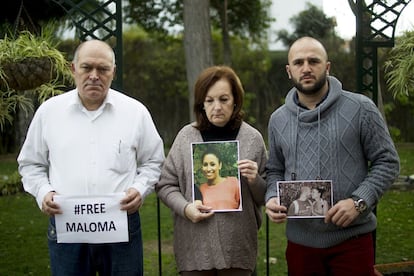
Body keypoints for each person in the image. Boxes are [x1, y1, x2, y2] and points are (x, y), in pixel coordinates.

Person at [17, 39, 165, 275]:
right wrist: (44, 193)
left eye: (103, 69)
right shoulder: (49, 113)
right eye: (87, 67)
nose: (94, 75)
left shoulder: (135, 112)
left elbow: (153, 161)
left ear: (113, 72)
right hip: (67, 227)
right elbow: (30, 164)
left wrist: (140, 188)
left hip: (121, 226)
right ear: (73, 69)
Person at [265, 36, 400, 275]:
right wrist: (272, 197)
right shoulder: (278, 120)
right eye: (298, 62)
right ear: (289, 70)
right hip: (300, 243)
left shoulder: (360, 108)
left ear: (327, 67)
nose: (306, 68)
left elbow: (387, 161)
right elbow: (274, 170)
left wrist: (359, 202)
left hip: (352, 240)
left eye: (313, 61)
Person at [156, 65, 267, 275]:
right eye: (210, 100)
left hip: (238, 249)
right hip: (194, 247)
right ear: (201, 104)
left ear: (235, 100)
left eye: (224, 99)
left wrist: (255, 180)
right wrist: (185, 208)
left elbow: (266, 196)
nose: (217, 107)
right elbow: (165, 185)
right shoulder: (186, 137)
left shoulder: (252, 139)